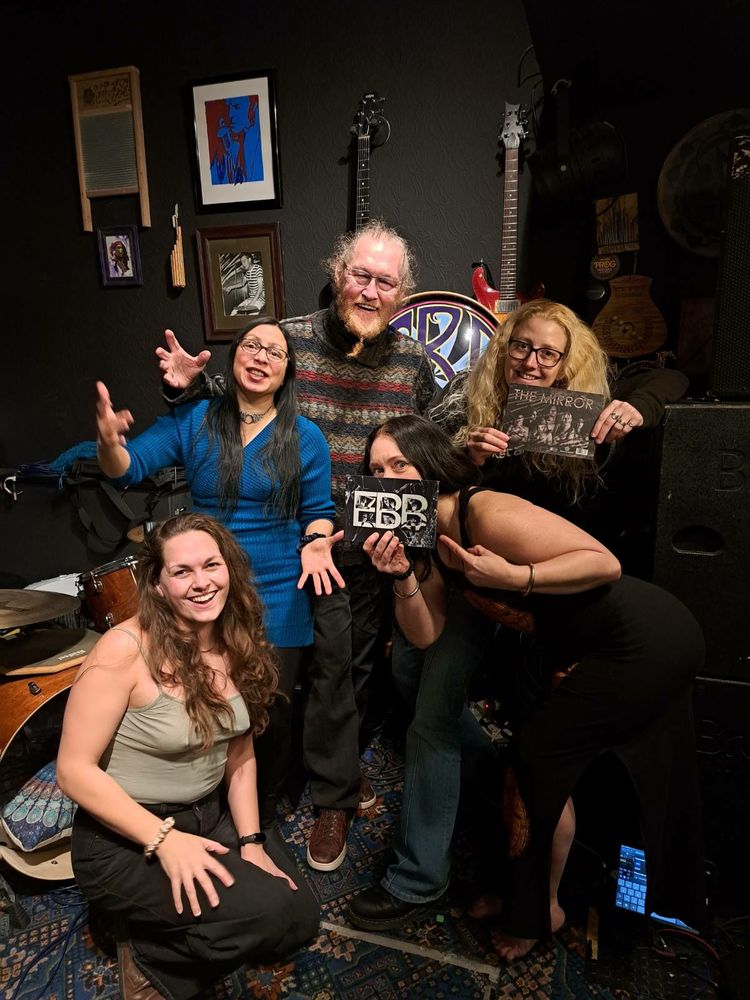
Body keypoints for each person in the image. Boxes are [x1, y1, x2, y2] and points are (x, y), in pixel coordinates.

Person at [347, 415, 705, 964]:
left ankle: (541, 913)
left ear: (432, 465)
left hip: (643, 639)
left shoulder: (485, 511)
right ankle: (527, 893)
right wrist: (401, 578)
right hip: (583, 645)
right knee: (529, 762)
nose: (388, 478)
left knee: (537, 762)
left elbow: (603, 563)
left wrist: (517, 579)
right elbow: (428, 635)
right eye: (376, 470)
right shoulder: (424, 535)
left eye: (401, 464)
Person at [156, 220, 437, 871]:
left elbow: (442, 431)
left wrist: (477, 442)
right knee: (268, 681)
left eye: (385, 282)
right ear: (339, 275)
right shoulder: (289, 342)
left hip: (361, 556)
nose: (370, 290)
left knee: (346, 680)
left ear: (401, 294)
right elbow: (231, 405)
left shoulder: (414, 363)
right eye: (360, 275)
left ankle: (334, 797)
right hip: (280, 552)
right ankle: (266, 795)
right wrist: (187, 389)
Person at [94, 317, 342, 844]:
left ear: (287, 371)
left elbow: (318, 511)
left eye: (274, 352)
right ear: (232, 359)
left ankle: (263, 814)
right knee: (207, 697)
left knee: (269, 711)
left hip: (279, 587)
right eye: (251, 345)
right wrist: (108, 442)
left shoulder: (306, 436)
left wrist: (318, 539)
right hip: (206, 586)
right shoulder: (197, 419)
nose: (260, 356)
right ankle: (202, 802)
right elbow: (128, 467)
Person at [57, 513, 319, 1000]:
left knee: (300, 915)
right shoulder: (123, 651)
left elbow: (239, 747)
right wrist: (164, 841)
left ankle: (158, 925)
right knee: (269, 915)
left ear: (229, 569)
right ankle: (146, 949)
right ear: (156, 584)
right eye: (182, 572)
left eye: (211, 565)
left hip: (207, 815)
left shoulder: (233, 636)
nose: (202, 584)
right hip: (126, 835)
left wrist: (252, 841)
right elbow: (72, 771)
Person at [429, 299, 689, 556]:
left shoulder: (582, 404)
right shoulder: (467, 394)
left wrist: (637, 408)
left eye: (548, 354)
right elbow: (426, 480)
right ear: (504, 349)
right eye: (521, 347)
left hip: (560, 552)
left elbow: (673, 378)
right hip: (479, 547)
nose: (530, 363)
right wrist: (468, 457)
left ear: (565, 366)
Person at [209, 94, 263, 185]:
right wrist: (224, 150)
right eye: (229, 108)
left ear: (253, 107)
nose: (230, 114)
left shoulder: (258, 142)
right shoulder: (230, 141)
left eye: (237, 107)